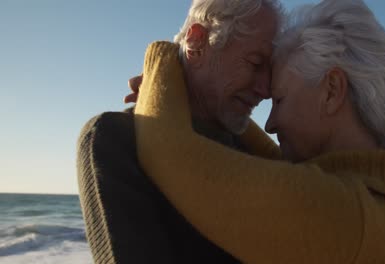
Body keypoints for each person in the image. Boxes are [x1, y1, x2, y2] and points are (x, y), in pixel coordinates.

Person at [133, 0, 385, 263]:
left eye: (280, 99)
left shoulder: (343, 216)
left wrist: (163, 62)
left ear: (331, 90)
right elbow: (277, 168)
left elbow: (170, 153)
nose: (270, 124)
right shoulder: (377, 205)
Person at [77, 0, 282, 263]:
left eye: (271, 71)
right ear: (196, 41)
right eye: (255, 63)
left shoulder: (255, 152)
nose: (265, 90)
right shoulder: (117, 140)